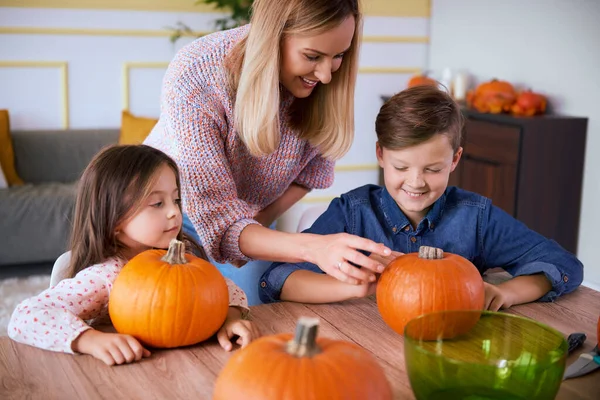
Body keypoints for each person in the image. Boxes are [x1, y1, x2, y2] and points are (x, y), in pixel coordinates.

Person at [144, 0, 391, 305]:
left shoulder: (323, 82)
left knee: (261, 313)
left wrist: (259, 221)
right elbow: (217, 218)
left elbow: (309, 174)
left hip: (254, 220)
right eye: (312, 56)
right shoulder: (197, 73)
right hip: (170, 219)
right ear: (273, 37)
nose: (327, 74)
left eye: (338, 55)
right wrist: (313, 247)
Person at [258, 85, 584, 310]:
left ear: (454, 160)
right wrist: (358, 288)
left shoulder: (476, 218)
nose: (416, 182)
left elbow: (562, 264)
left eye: (432, 169)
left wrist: (504, 293)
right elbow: (277, 279)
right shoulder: (353, 213)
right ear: (381, 155)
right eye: (401, 167)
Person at [7, 145, 260, 366]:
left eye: (176, 199)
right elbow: (25, 317)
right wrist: (90, 340)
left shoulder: (181, 256)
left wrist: (230, 318)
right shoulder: (108, 276)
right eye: (157, 204)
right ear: (115, 220)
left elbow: (225, 289)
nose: (174, 212)